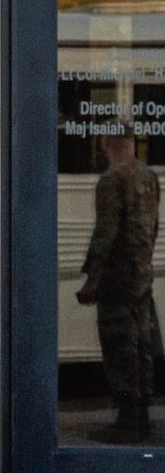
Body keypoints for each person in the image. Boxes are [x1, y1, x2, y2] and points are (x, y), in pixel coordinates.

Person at [77, 124, 163, 443]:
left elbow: (106, 232)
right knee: (142, 342)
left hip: (118, 275)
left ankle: (127, 421)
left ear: (106, 143)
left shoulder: (112, 179)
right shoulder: (149, 176)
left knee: (119, 344)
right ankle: (142, 415)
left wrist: (92, 279)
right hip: (141, 271)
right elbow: (153, 227)